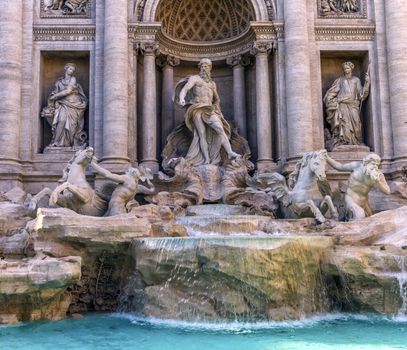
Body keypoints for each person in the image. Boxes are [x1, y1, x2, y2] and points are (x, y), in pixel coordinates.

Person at [174, 58, 239, 166]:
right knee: (201, 134)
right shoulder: (195, 79)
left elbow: (216, 98)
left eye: (207, 66)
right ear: (199, 68)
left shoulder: (212, 84)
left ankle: (230, 152)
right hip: (197, 108)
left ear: (210, 69)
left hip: (209, 110)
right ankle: (206, 160)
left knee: (220, 129)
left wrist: (217, 109)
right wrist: (182, 98)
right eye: (203, 66)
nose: (204, 68)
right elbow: (185, 89)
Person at [326, 153, 390, 220]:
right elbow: (339, 167)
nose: (375, 167)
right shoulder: (356, 166)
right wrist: (327, 157)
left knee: (369, 221)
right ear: (366, 162)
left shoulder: (378, 175)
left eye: (377, 165)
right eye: (373, 164)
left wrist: (378, 182)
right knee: (359, 215)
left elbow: (387, 191)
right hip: (350, 199)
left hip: (364, 203)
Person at [323, 61, 370, 149]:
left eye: (347, 68)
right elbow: (332, 92)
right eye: (344, 68)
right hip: (342, 105)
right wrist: (330, 100)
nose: (346, 70)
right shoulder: (340, 80)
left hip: (353, 105)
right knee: (344, 123)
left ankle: (356, 141)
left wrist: (367, 83)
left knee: (356, 123)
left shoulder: (356, 80)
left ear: (351, 69)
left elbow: (361, 94)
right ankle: (343, 142)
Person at [90, 160, 155, 216]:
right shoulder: (136, 187)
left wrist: (93, 165)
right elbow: (151, 190)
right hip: (120, 209)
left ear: (132, 173)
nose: (125, 172)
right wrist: (101, 195)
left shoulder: (127, 178)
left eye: (127, 171)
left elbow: (108, 175)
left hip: (116, 208)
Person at [46, 63, 88, 147]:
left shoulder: (73, 79)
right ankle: (56, 142)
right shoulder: (59, 82)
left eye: (73, 70)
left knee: (72, 127)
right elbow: (55, 92)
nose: (71, 71)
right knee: (61, 120)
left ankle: (68, 143)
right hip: (63, 104)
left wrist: (55, 97)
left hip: (73, 104)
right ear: (66, 69)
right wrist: (53, 99)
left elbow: (68, 91)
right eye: (70, 69)